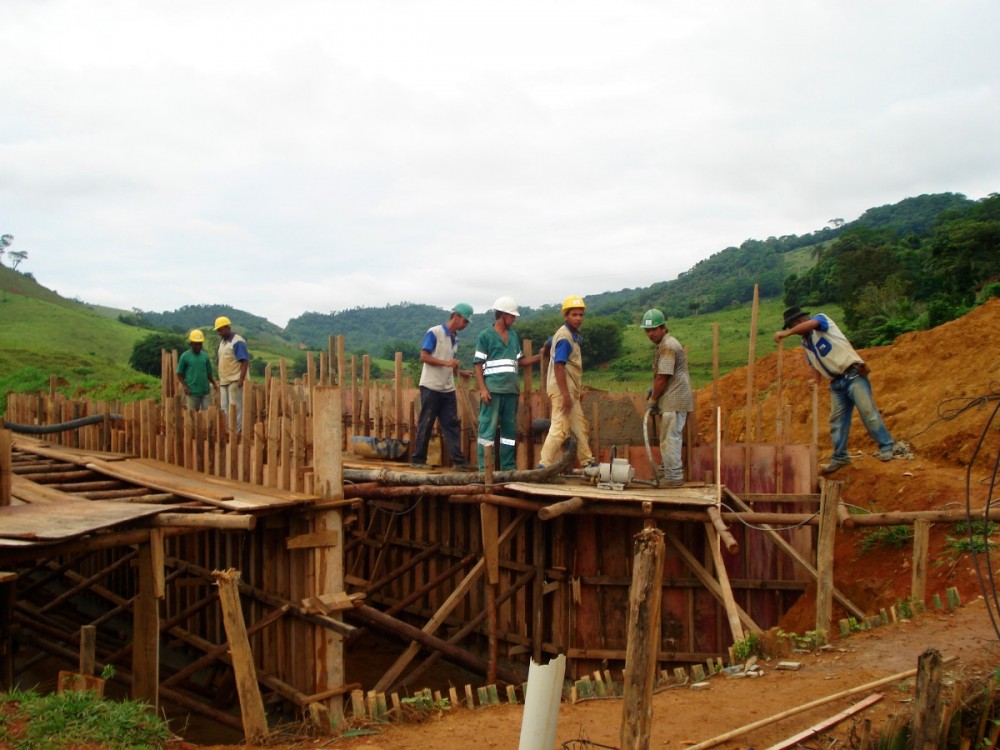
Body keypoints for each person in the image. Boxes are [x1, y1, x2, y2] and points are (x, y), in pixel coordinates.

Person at [774, 306, 894, 474]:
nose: (794, 331)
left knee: (868, 412)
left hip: (853, 375)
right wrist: (816, 380)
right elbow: (813, 362)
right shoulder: (806, 342)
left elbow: (811, 325)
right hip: (836, 384)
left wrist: (786, 333)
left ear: (799, 322)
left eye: (793, 326)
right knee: (837, 421)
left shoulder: (821, 320)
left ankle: (886, 446)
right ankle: (840, 457)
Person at [474, 296, 542, 471]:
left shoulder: (513, 336)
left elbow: (520, 361)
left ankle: (508, 469)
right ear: (502, 315)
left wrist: (540, 356)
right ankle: (485, 470)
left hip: (511, 392)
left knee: (508, 433)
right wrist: (483, 389)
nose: (514, 319)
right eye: (512, 316)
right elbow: (478, 364)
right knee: (487, 430)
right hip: (493, 391)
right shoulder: (485, 336)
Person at [410, 304, 475, 470]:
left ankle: (458, 462)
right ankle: (418, 460)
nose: (466, 325)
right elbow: (424, 356)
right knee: (426, 423)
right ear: (456, 316)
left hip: (447, 387)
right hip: (431, 386)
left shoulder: (455, 339)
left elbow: (450, 363)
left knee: (451, 424)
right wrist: (447, 363)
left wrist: (460, 372)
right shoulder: (435, 332)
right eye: (465, 321)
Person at [537, 295, 596, 470]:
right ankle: (543, 466)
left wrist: (545, 348)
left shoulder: (568, 333)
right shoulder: (565, 338)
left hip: (570, 390)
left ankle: (587, 462)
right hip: (563, 389)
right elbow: (558, 366)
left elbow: (549, 341)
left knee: (579, 427)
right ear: (566, 316)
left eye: (581, 314)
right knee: (560, 428)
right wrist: (565, 395)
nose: (578, 318)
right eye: (574, 315)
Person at [640, 309, 693, 488]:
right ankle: (668, 473)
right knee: (668, 437)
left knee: (670, 438)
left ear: (663, 328)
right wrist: (654, 390)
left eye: (654, 329)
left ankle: (674, 476)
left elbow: (663, 377)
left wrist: (653, 399)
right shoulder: (665, 344)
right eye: (647, 330)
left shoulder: (668, 346)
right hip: (672, 399)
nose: (650, 334)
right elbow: (663, 377)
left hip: (675, 400)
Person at [214, 315, 250, 432]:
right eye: (218, 330)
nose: (219, 333)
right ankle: (227, 431)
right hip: (224, 380)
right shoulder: (222, 343)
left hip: (235, 379)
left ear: (227, 327)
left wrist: (241, 379)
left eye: (220, 330)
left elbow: (244, 360)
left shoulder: (237, 341)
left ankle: (236, 432)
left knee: (235, 407)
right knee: (224, 407)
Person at [176, 329, 217, 412]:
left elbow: (209, 373)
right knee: (193, 415)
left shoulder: (205, 356)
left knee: (206, 415)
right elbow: (179, 373)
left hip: (205, 392)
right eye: (196, 344)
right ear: (191, 343)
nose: (198, 346)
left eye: (200, 344)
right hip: (192, 392)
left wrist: (214, 383)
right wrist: (185, 386)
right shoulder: (185, 356)